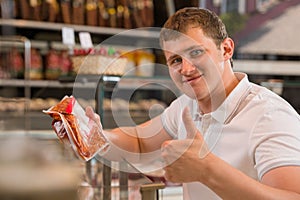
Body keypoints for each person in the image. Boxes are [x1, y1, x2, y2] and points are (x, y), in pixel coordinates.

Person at [85, 7, 300, 199]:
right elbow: (138, 143)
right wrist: (93, 137)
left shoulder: (269, 115)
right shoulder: (186, 106)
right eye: (176, 60)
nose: (186, 69)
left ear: (226, 49)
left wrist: (207, 170)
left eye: (196, 52)